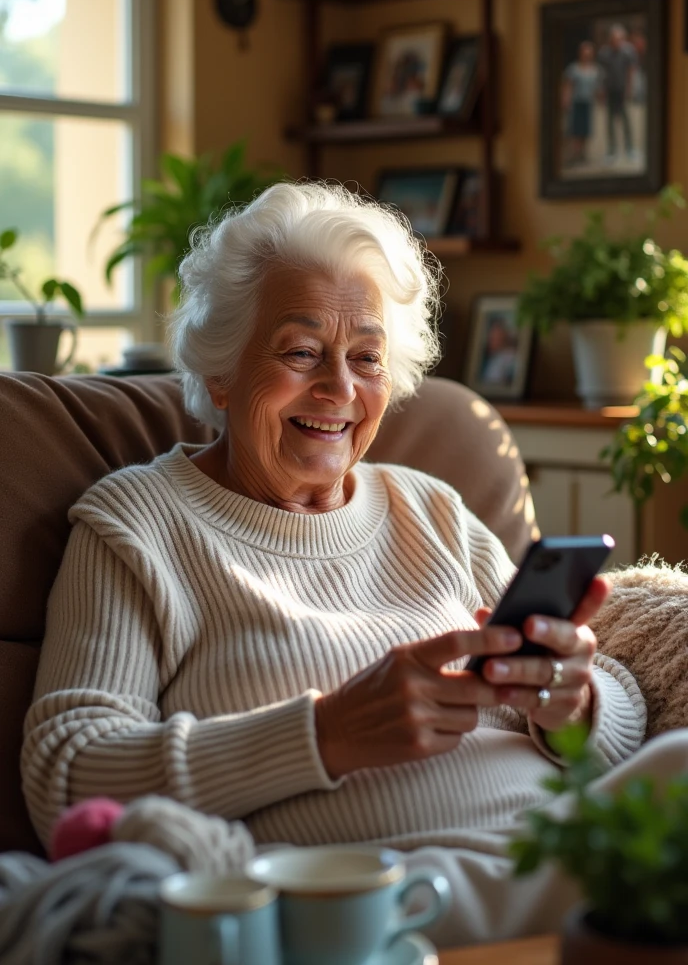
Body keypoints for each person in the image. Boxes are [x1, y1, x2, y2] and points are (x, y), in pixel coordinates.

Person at [22, 181, 680, 947]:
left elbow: (619, 724)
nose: (339, 389)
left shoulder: (429, 509)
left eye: (366, 357)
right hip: (372, 899)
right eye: (301, 353)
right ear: (220, 373)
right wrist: (324, 734)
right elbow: (66, 774)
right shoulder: (137, 523)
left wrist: (574, 701)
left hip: (565, 849)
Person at [597, 23, 638, 163]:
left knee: (626, 119)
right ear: (610, 39)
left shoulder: (628, 51)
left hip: (622, 89)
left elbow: (631, 71)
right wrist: (601, 89)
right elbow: (601, 73)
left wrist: (629, 89)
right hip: (610, 89)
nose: (617, 42)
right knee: (609, 121)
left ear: (623, 39)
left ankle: (630, 148)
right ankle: (611, 150)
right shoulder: (604, 53)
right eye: (614, 39)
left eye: (619, 39)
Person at [561, 40, 604, 166]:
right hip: (576, 102)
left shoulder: (595, 70)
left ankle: (583, 153)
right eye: (585, 52)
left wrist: (600, 98)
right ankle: (575, 153)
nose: (587, 55)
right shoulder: (573, 68)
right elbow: (568, 85)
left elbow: (598, 87)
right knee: (575, 129)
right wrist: (565, 99)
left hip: (588, 102)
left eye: (589, 53)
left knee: (586, 129)